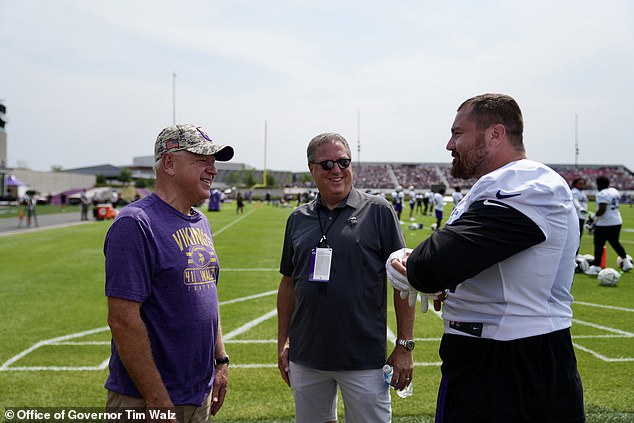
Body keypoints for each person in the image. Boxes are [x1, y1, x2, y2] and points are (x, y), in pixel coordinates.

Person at [388, 94, 585, 422]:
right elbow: (464, 264)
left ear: (496, 133)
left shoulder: (530, 183)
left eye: (458, 133)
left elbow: (434, 264)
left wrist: (422, 269)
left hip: (516, 364)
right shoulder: (487, 188)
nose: (449, 144)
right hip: (477, 358)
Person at [277, 132, 415, 423]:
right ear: (312, 169)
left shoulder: (378, 211)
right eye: (327, 164)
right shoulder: (297, 218)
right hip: (307, 356)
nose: (336, 170)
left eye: (343, 161)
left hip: (363, 358)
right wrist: (283, 341)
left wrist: (404, 346)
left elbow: (403, 283)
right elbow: (288, 283)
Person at [104, 124, 234, 422]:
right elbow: (122, 320)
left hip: (196, 396)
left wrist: (221, 360)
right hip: (144, 401)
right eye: (203, 160)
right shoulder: (135, 223)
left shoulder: (200, 221)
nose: (213, 170)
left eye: (214, 162)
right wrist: (157, 400)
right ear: (169, 163)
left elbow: (206, 300)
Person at [586, 175, 633, 274]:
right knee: (615, 242)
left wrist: (593, 218)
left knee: (599, 244)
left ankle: (596, 266)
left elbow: (602, 210)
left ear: (599, 184)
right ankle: (626, 262)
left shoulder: (601, 194)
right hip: (617, 221)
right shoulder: (614, 191)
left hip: (605, 223)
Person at [570, 178, 589, 252]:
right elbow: (575, 201)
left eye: (583, 183)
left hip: (582, 216)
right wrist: (580, 208)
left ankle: (576, 254)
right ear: (575, 184)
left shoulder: (581, 192)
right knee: (576, 237)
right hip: (577, 217)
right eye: (580, 183)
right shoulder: (574, 192)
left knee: (578, 237)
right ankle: (574, 254)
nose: (582, 185)